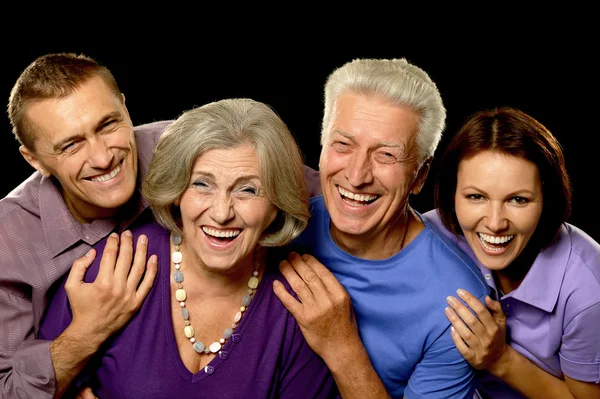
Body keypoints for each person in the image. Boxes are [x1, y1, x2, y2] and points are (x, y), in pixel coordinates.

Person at [38, 98, 339, 398]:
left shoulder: (300, 303)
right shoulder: (114, 267)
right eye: (202, 184)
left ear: (276, 204)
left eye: (248, 189)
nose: (222, 213)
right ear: (177, 192)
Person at [273, 58, 491, 398]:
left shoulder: (457, 303)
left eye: (386, 155)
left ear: (419, 176)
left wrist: (342, 348)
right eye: (343, 145)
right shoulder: (280, 227)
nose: (358, 176)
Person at [0, 52, 174, 398]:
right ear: (34, 160)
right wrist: (88, 331)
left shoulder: (186, 149)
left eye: (108, 124)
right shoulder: (8, 241)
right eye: (71, 145)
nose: (102, 157)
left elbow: (308, 198)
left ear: (125, 108)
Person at [423, 107, 600, 398]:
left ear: (547, 199)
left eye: (518, 199)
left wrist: (500, 359)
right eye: (476, 197)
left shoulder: (587, 289)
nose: (494, 223)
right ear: (452, 194)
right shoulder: (429, 234)